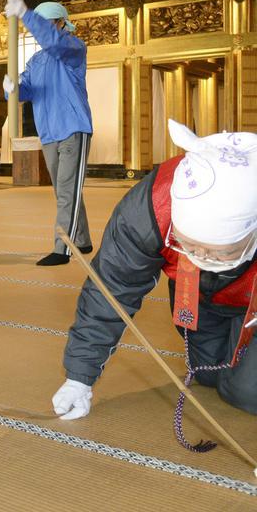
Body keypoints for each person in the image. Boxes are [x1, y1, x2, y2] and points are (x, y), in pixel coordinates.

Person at [53, 121, 257, 424]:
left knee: (246, 391)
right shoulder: (149, 209)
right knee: (209, 375)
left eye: (217, 251)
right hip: (199, 298)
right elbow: (110, 289)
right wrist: (79, 378)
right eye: (189, 245)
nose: (201, 257)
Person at [3, 0, 93, 266]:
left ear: (59, 23)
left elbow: (53, 42)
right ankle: (83, 239)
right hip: (49, 133)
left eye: (44, 23)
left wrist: (26, 14)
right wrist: (12, 88)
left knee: (67, 191)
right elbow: (27, 91)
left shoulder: (73, 48)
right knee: (64, 190)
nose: (41, 28)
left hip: (73, 127)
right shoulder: (36, 61)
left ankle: (63, 248)